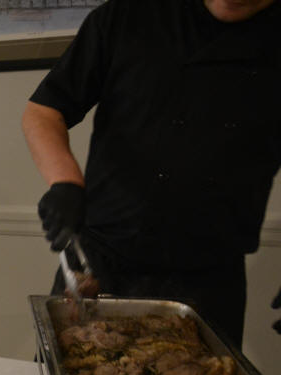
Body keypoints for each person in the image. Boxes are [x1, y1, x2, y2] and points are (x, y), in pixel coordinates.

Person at [22, 0, 281, 347]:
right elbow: (44, 111)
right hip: (101, 260)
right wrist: (64, 182)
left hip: (211, 278)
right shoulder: (127, 16)